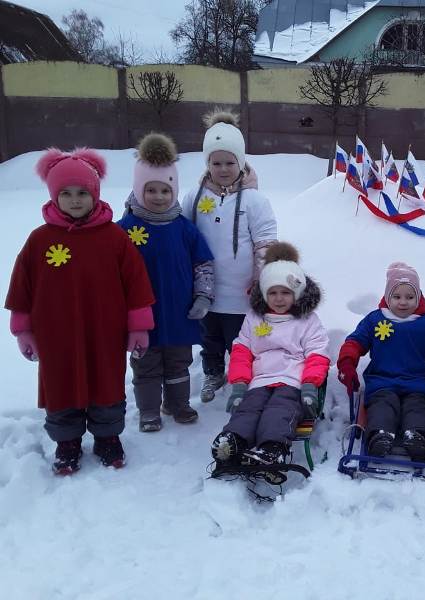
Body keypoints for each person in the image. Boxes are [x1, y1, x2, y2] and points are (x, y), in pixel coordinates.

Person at [5, 148, 154, 474]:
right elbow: (21, 286)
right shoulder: (39, 240)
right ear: (54, 195)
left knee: (106, 381)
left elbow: (136, 282)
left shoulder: (114, 237)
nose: (75, 200)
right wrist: (23, 329)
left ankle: (107, 436)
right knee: (60, 382)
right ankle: (67, 441)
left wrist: (138, 326)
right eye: (66, 193)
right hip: (56, 334)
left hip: (104, 330)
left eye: (82, 193)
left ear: (95, 194)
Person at [118, 133, 214, 432]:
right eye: (151, 190)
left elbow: (203, 264)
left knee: (178, 362)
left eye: (165, 190)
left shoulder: (184, 228)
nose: (159, 196)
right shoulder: (123, 230)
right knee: (145, 365)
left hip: (178, 313)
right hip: (140, 317)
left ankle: (177, 404)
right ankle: (149, 411)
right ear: (138, 189)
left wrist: (203, 296)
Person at [182, 110, 278, 405]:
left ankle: (242, 375)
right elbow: (182, 234)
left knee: (240, 338)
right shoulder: (194, 197)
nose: (223, 169)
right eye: (216, 163)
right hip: (205, 288)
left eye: (230, 162)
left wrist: (261, 279)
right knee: (209, 337)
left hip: (241, 291)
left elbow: (265, 242)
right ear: (207, 164)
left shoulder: (255, 200)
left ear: (241, 162)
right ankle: (213, 372)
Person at [210, 243, 329, 467]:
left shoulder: (307, 321)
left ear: (297, 293)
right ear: (264, 295)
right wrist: (239, 385)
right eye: (272, 293)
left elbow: (317, 353)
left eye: (285, 292)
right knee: (248, 409)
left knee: (280, 411)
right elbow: (242, 351)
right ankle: (233, 440)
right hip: (260, 380)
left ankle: (273, 447)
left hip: (292, 381)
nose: (279, 299)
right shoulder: (255, 318)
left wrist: (310, 385)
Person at [336, 262, 425, 463]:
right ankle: (380, 436)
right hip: (382, 383)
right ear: (387, 297)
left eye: (410, 297)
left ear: (418, 297)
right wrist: (347, 364)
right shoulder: (375, 320)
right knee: (382, 406)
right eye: (397, 297)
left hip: (419, 385)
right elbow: (354, 342)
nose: (403, 302)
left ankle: (417, 437)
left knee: (417, 408)